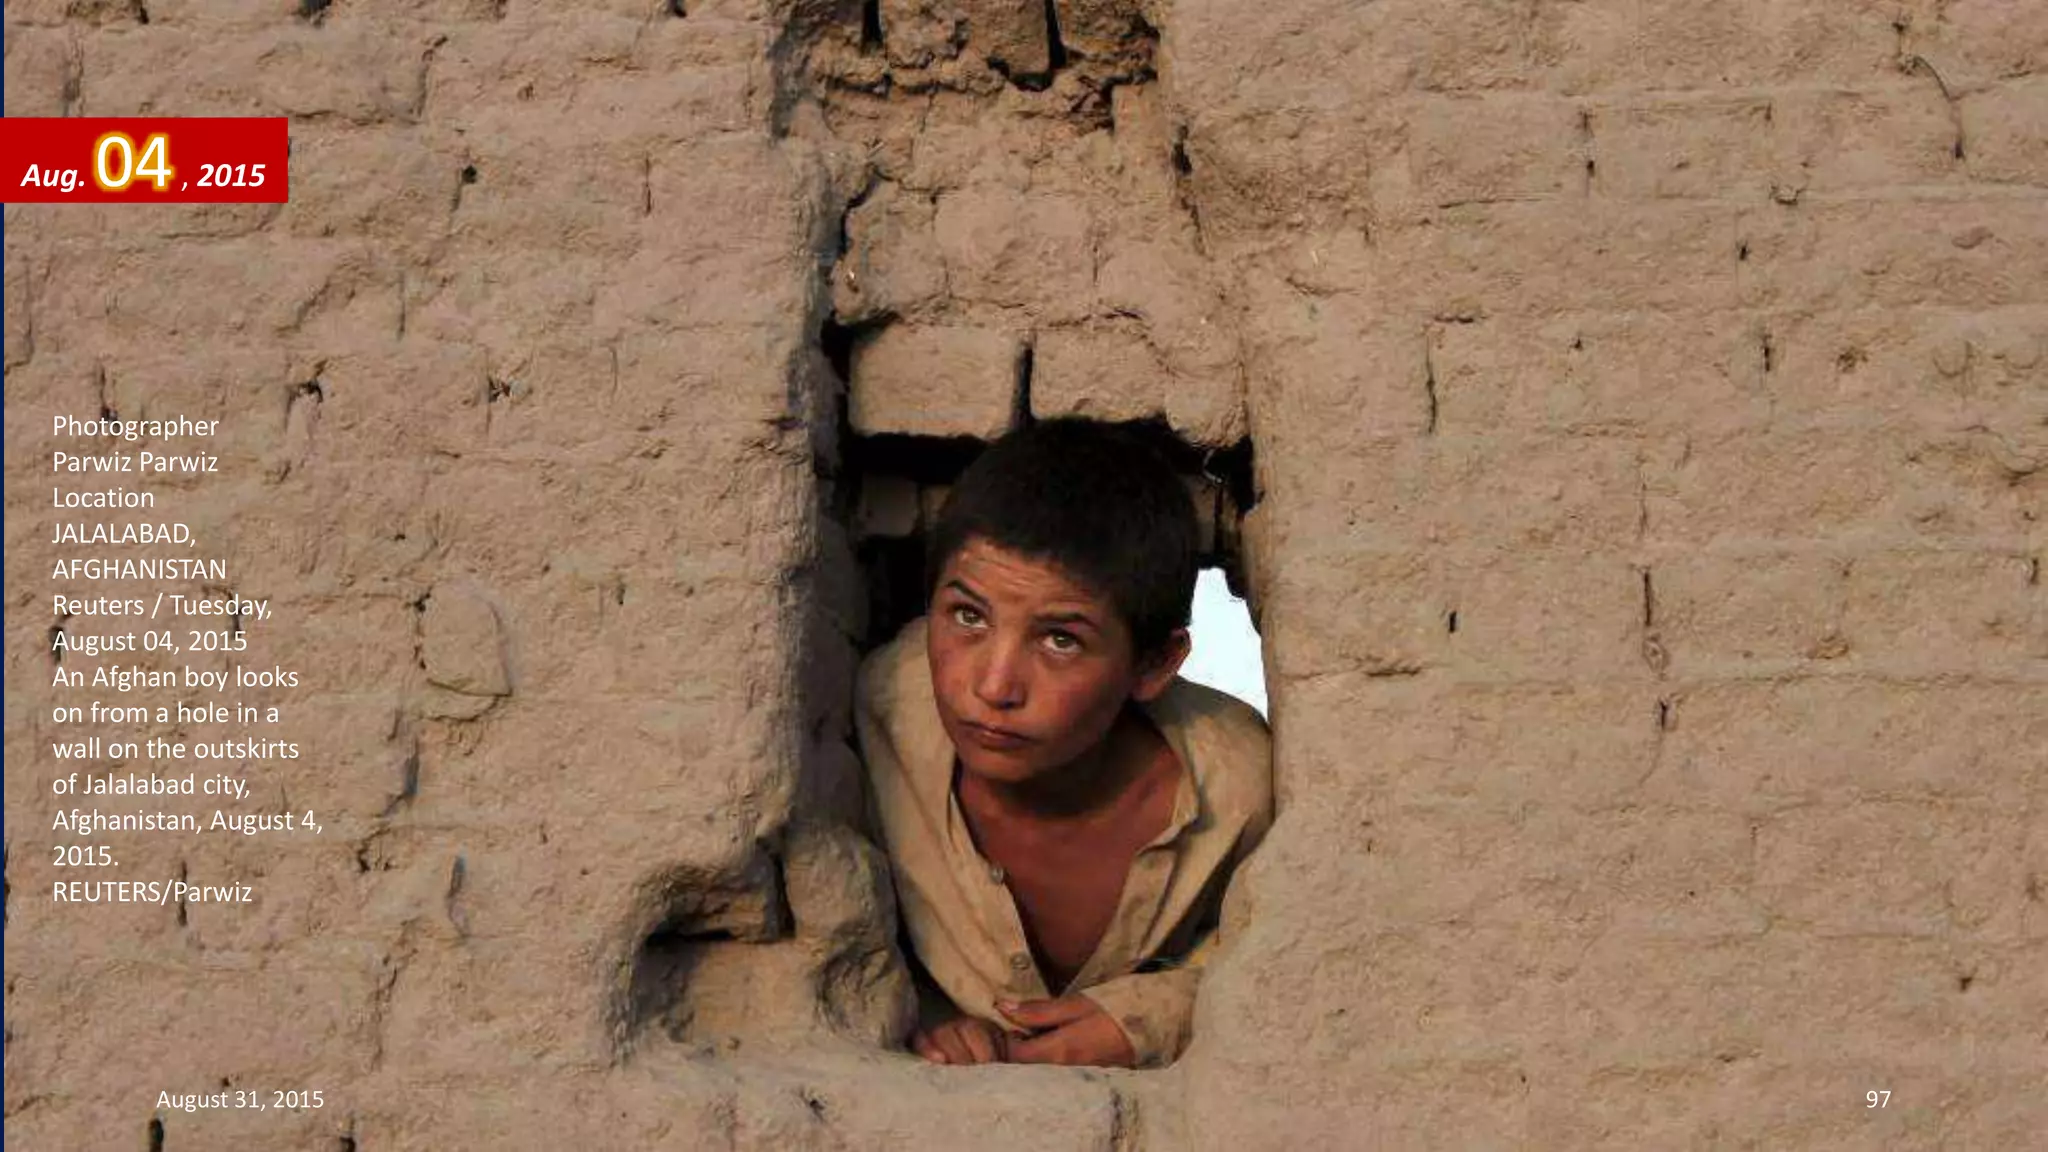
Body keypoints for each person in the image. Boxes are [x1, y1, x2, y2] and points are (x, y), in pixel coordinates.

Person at [852, 416, 1274, 1069]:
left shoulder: (1243, 790)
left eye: (1059, 640)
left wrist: (1158, 1014)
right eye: (968, 616)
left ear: (1153, 666)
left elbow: (1304, 959)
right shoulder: (879, 718)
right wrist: (934, 1022)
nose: (992, 686)